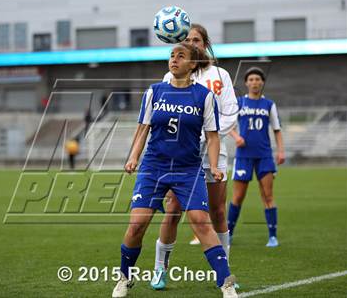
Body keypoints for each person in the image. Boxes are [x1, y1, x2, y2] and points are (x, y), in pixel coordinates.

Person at [112, 43, 238, 298]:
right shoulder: (154, 92)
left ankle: (226, 283)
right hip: (154, 167)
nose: (174, 59)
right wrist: (133, 157)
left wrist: (213, 166)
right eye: (171, 55)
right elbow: (143, 129)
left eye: (181, 56)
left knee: (202, 223)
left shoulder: (204, 96)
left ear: (193, 65)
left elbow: (212, 137)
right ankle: (124, 278)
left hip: (188, 169)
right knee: (137, 225)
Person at [150, 23, 238, 290]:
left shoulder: (219, 74)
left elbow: (230, 112)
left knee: (218, 211)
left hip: (214, 152)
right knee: (173, 211)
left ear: (205, 44)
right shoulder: (171, 76)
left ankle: (224, 273)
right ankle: (159, 269)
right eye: (186, 39)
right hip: (179, 155)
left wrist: (209, 137)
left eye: (196, 40)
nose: (191, 43)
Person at [227, 67, 285, 247]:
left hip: (264, 156)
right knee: (237, 197)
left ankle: (272, 236)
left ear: (262, 83)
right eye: (251, 79)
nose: (254, 82)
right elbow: (227, 125)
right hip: (243, 156)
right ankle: (228, 235)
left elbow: (277, 130)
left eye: (257, 79)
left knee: (268, 196)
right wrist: (237, 137)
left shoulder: (269, 105)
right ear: (246, 83)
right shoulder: (238, 103)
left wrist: (281, 151)